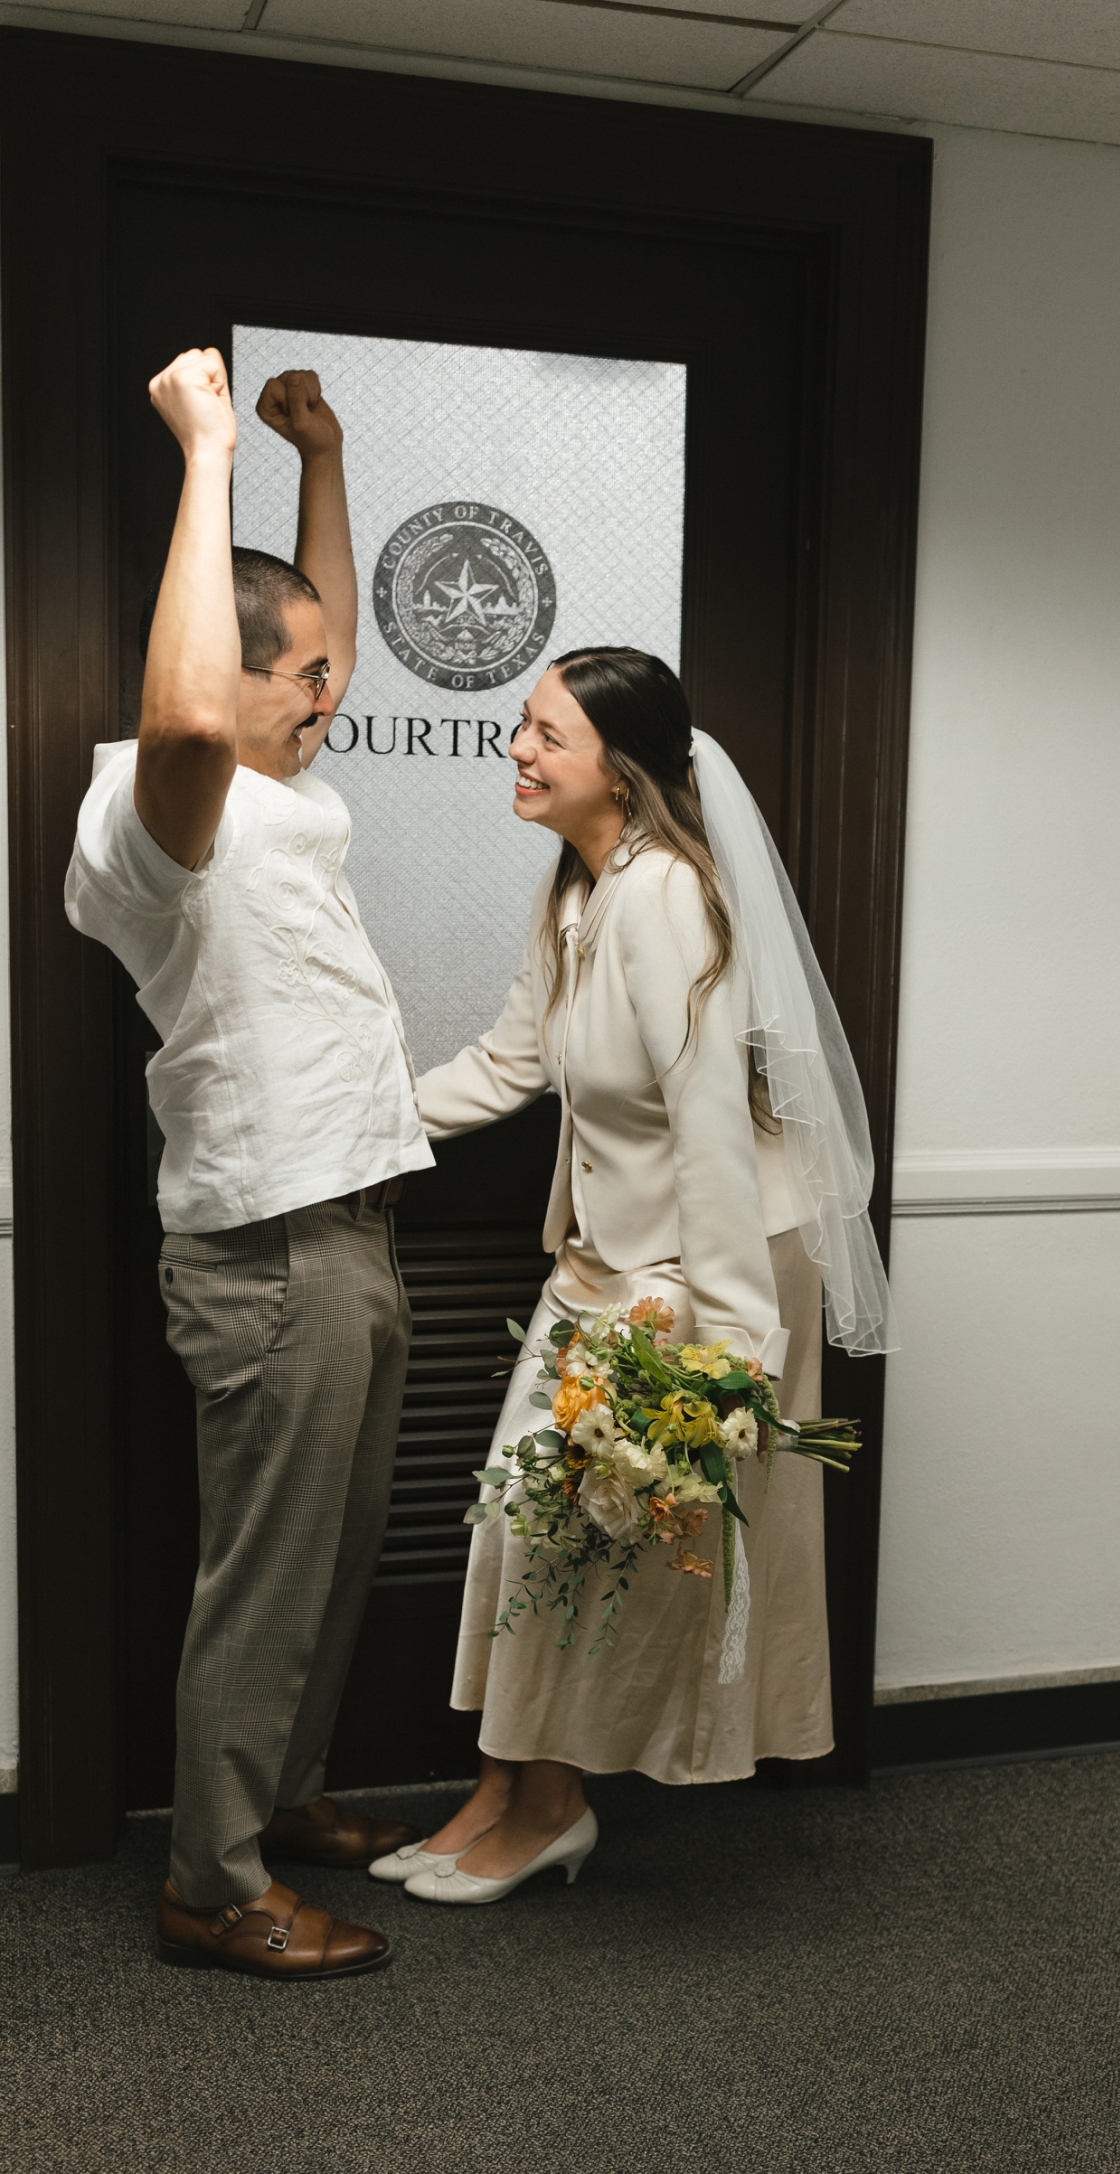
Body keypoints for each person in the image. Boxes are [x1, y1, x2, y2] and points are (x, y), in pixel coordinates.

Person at [370, 647, 894, 1905]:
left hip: (700, 1267)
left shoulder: (664, 896)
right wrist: (346, 1124)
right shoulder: (574, 887)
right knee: (523, 1528)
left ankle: (550, 1807)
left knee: (590, 1553)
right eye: (521, 729)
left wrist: (729, 1352)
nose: (520, 750)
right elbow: (506, 1062)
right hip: (601, 1260)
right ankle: (504, 1788)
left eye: (547, 733)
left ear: (621, 763)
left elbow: (711, 1127)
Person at [65, 348, 435, 1978]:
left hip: (350, 1230)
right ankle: (212, 1883)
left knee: (334, 1558)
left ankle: (281, 1799)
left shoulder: (295, 786)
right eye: (300, 677)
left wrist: (326, 462)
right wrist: (205, 452)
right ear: (242, 676)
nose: (327, 692)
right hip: (272, 1255)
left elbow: (311, 638)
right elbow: (196, 702)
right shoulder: (158, 810)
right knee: (264, 1582)